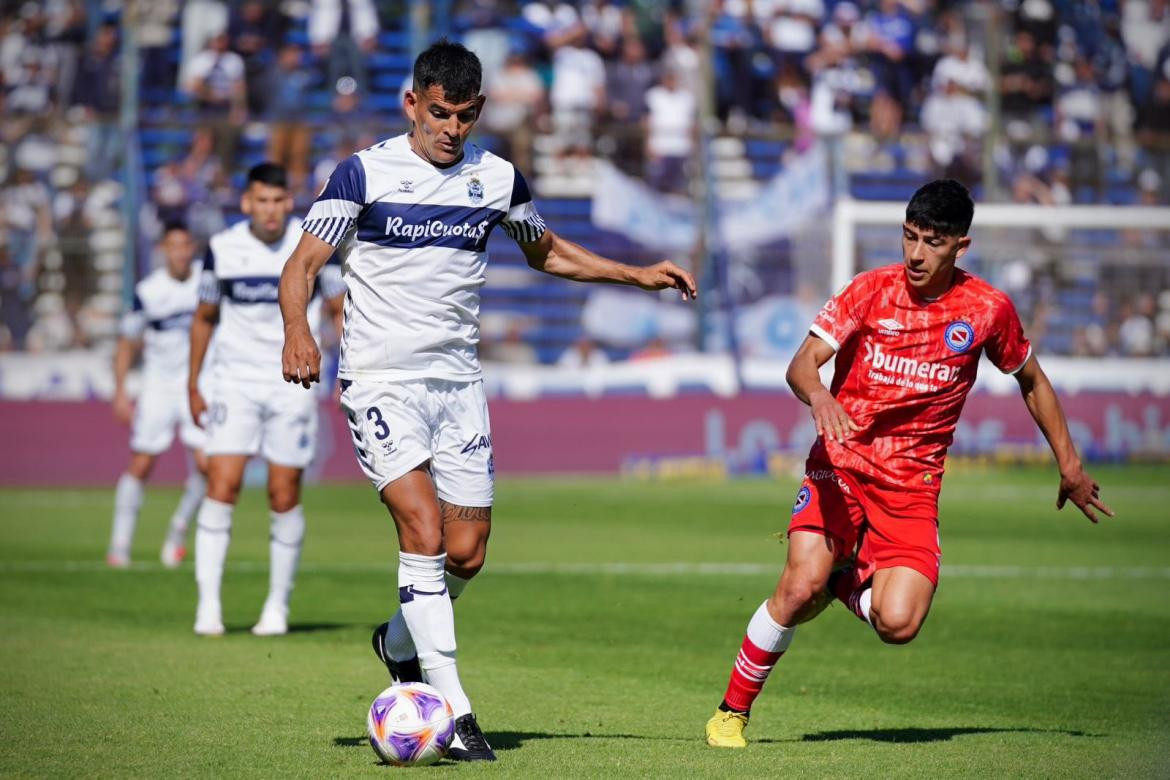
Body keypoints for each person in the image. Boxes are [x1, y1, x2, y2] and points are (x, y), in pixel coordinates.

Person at [278, 39, 696, 762]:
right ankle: (455, 710)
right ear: (413, 103)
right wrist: (297, 331)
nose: (452, 129)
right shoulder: (365, 173)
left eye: (466, 116)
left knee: (465, 555)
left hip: (458, 388)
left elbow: (547, 252)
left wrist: (637, 275)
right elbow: (304, 263)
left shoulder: (496, 179)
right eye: (441, 113)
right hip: (381, 383)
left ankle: (398, 641)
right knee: (422, 530)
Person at [704, 179, 1114, 748]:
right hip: (840, 465)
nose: (916, 253)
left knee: (899, 624)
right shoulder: (868, 291)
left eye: (932, 242)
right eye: (909, 237)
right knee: (799, 587)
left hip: (911, 487)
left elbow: (1032, 379)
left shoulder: (988, 310)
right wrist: (821, 397)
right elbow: (803, 364)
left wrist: (1069, 464)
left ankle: (845, 578)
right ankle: (731, 713)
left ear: (960, 246)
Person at [188, 162, 345, 637]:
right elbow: (204, 317)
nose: (271, 210)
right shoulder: (222, 249)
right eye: (262, 201)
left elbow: (338, 308)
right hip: (233, 381)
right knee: (223, 485)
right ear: (246, 203)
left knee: (284, 493)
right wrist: (193, 382)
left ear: (288, 202)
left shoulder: (313, 244)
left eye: (279, 201)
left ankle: (276, 607)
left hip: (292, 381)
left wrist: (346, 371)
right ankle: (209, 608)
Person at [107, 222, 208, 569]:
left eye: (185, 245)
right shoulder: (148, 291)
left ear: (192, 247)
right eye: (173, 246)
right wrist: (120, 391)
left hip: (199, 384)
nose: (180, 252)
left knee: (207, 468)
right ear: (164, 250)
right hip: (159, 387)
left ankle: (178, 530)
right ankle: (120, 544)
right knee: (142, 463)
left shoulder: (207, 281)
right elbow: (126, 342)